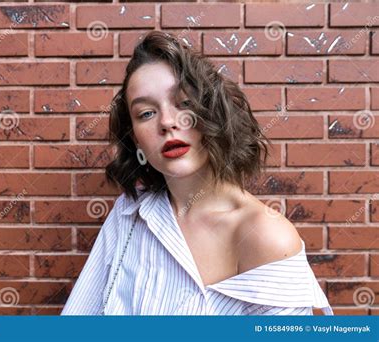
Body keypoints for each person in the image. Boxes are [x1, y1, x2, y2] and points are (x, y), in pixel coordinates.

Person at [61, 30, 333, 315]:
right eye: (146, 113)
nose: (167, 122)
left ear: (213, 114)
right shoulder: (131, 213)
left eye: (184, 103)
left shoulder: (266, 237)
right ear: (136, 140)